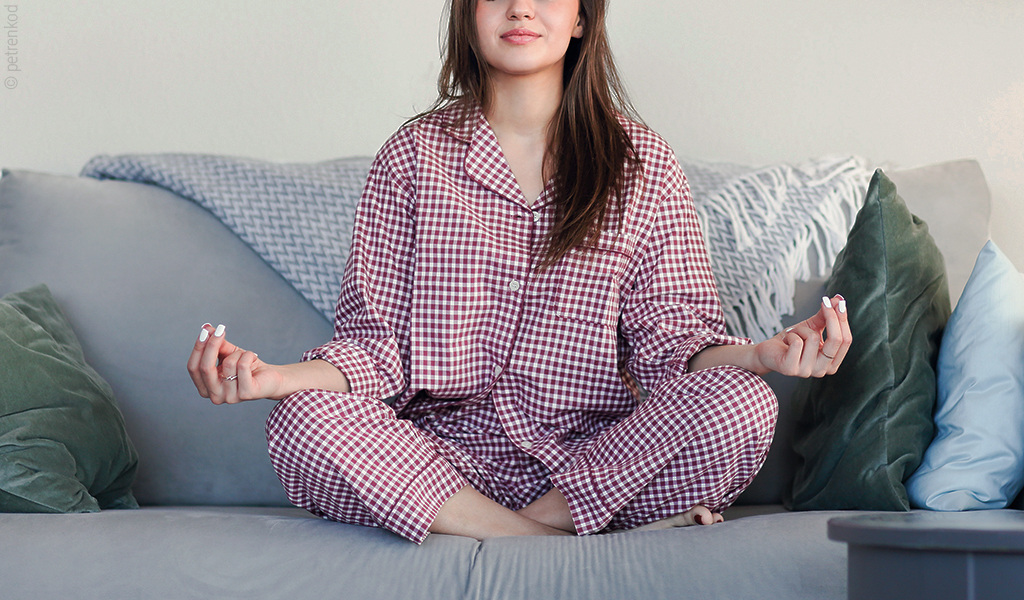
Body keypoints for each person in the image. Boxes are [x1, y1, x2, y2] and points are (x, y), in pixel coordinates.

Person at [186, 0, 852, 545]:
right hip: (438, 461)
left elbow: (672, 346)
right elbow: (374, 347)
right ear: (467, 15)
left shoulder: (641, 164)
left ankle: (509, 528)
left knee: (738, 403)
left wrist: (761, 354)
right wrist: (273, 379)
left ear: (585, 17)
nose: (520, 7)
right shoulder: (414, 158)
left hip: (594, 461)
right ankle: (565, 539)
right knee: (303, 422)